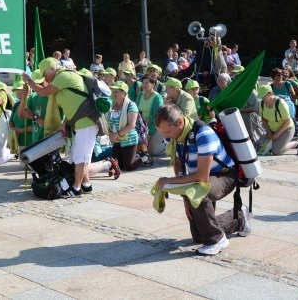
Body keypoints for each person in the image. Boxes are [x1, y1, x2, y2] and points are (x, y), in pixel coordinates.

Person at [154, 103, 250, 255]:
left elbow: (201, 177)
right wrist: (185, 199)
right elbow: (180, 164)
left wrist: (168, 181)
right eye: (162, 133)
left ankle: (217, 240)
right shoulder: (178, 135)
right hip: (201, 179)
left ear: (180, 122)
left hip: (224, 176)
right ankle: (239, 217)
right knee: (199, 235)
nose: (165, 137)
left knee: (198, 192)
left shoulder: (202, 133)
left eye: (167, 131)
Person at [21, 58, 110, 196]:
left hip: (86, 121)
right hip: (81, 121)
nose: (46, 78)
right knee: (76, 156)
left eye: (45, 75)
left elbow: (44, 92)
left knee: (80, 157)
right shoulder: (63, 77)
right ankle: (86, 184)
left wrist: (28, 80)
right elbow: (73, 105)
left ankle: (76, 188)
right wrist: (64, 124)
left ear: (51, 69)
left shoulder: (63, 75)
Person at [257, 85, 298, 155]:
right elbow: (263, 119)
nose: (262, 98)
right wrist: (269, 131)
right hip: (272, 130)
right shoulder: (261, 104)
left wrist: (277, 134)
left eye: (264, 95)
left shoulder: (281, 103)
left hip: (287, 129)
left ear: (271, 93)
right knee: (260, 147)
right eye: (261, 96)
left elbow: (287, 122)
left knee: (276, 151)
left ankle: (296, 143)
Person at [107, 81, 142, 171]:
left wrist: (116, 134)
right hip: (116, 141)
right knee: (118, 167)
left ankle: (144, 158)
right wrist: (110, 134)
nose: (114, 93)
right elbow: (107, 123)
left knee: (128, 167)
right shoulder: (111, 105)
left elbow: (131, 125)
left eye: (117, 91)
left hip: (129, 140)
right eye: (113, 91)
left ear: (124, 93)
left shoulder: (131, 105)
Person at [136, 74, 164, 158]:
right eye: (143, 83)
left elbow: (156, 116)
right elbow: (137, 111)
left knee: (152, 152)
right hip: (143, 124)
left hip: (155, 125)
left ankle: (165, 143)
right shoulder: (141, 95)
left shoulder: (158, 97)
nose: (144, 85)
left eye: (147, 83)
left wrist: (143, 123)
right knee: (141, 150)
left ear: (153, 84)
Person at [9, 80, 34, 153]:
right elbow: (11, 121)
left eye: (21, 93)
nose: (19, 96)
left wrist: (21, 130)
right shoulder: (16, 105)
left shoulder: (32, 104)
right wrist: (13, 130)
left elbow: (35, 125)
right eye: (17, 94)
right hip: (19, 141)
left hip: (30, 141)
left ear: (28, 92)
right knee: (22, 163)